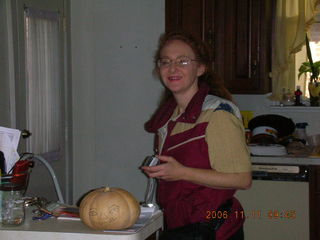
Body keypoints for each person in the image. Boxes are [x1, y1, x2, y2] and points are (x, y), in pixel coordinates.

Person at [142, 31, 252, 240]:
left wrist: (181, 173)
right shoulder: (169, 116)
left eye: (183, 61)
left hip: (212, 228)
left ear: (200, 68)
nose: (172, 68)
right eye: (165, 62)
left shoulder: (217, 114)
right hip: (181, 224)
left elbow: (242, 179)